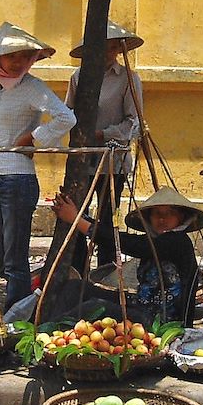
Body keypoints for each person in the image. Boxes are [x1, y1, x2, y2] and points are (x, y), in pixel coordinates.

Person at [0, 22, 76, 311]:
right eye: (11, 56)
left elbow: (66, 118)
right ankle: (26, 299)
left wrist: (33, 138)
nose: (18, 62)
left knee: (15, 256)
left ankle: (15, 315)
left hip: (18, 177)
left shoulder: (32, 87)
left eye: (23, 56)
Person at [51, 186, 203, 327]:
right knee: (76, 288)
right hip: (139, 305)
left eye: (170, 214)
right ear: (149, 217)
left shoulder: (178, 241)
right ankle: (45, 330)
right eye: (157, 214)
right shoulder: (157, 239)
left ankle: (51, 334)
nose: (162, 219)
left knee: (93, 307)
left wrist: (77, 220)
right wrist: (79, 216)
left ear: (181, 218)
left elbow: (130, 244)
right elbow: (113, 236)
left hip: (159, 322)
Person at [66, 20, 143, 274]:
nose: (106, 53)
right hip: (83, 159)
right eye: (101, 47)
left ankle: (107, 271)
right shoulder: (78, 77)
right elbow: (67, 115)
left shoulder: (129, 80)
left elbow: (134, 123)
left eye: (111, 48)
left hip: (113, 162)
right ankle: (76, 271)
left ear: (118, 51)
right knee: (77, 215)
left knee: (109, 216)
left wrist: (102, 134)